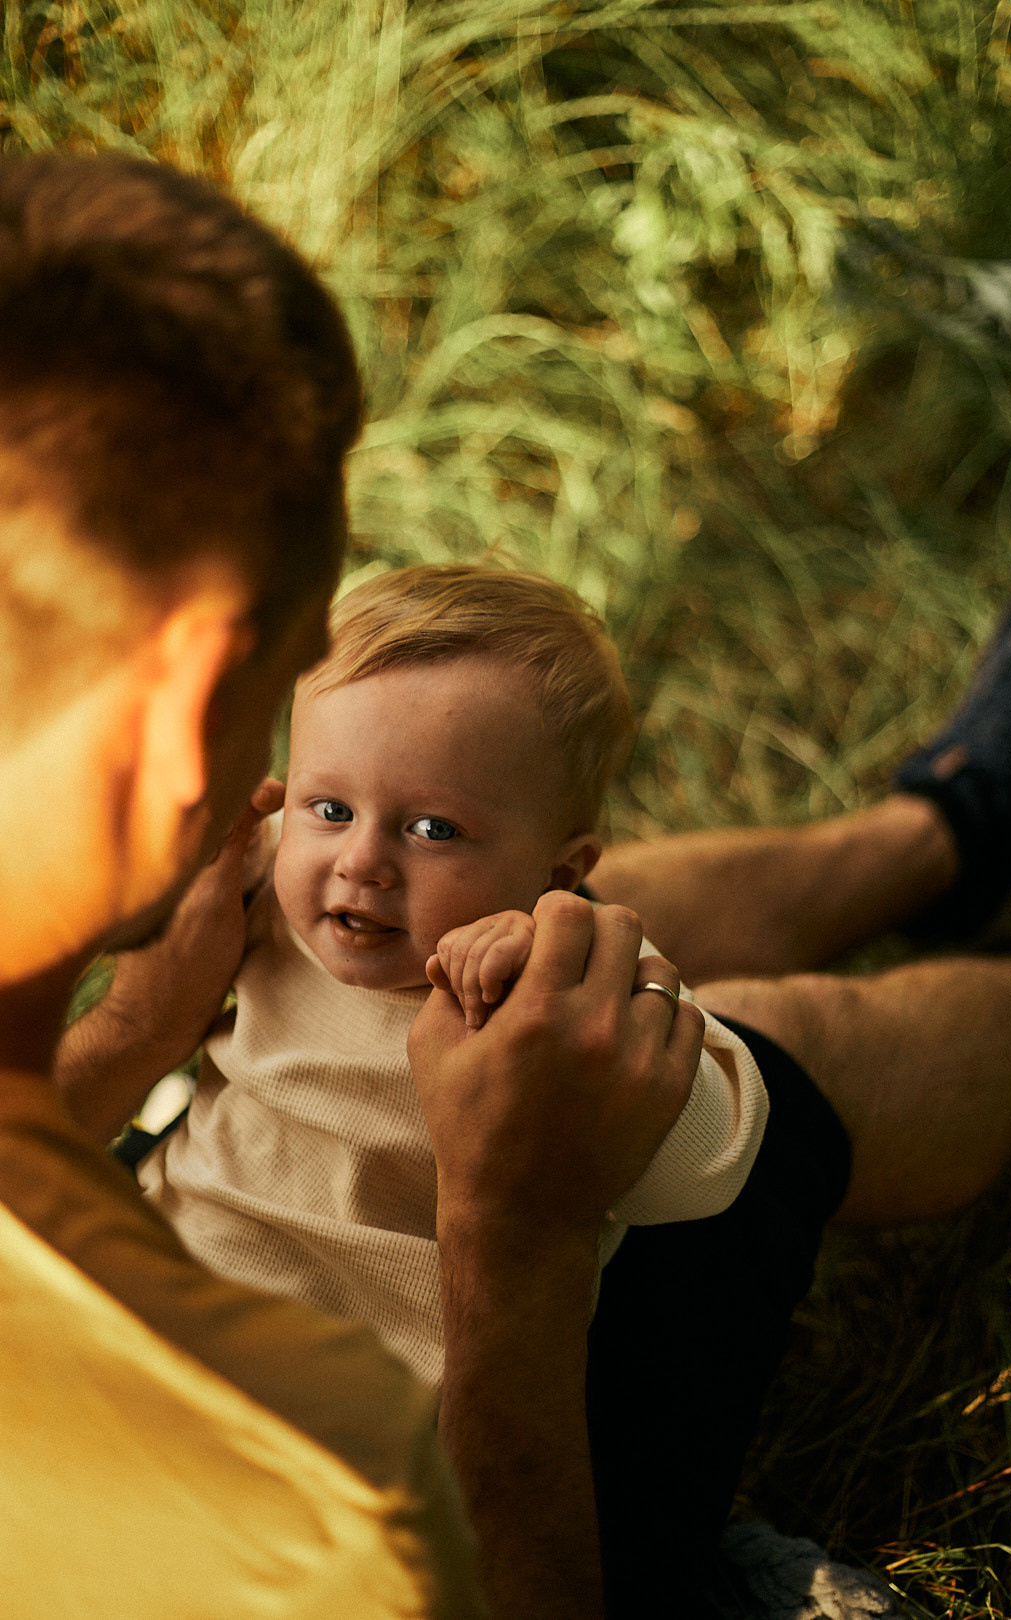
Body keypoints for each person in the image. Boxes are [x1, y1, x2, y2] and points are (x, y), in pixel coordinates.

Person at [0, 150, 704, 1619]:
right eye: (319, 794)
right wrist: (512, 1241)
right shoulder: (312, 1501)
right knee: (808, 1059)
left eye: (427, 828)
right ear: (189, 690)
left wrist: (132, 1031)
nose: (356, 857)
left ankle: (939, 829)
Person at [132, 563, 770, 1388]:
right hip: (152, 1276)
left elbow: (710, 1165)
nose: (360, 862)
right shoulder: (263, 886)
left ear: (561, 872)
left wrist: (544, 967)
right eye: (329, 809)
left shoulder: (550, 1007)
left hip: (340, 1396)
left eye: (433, 829)